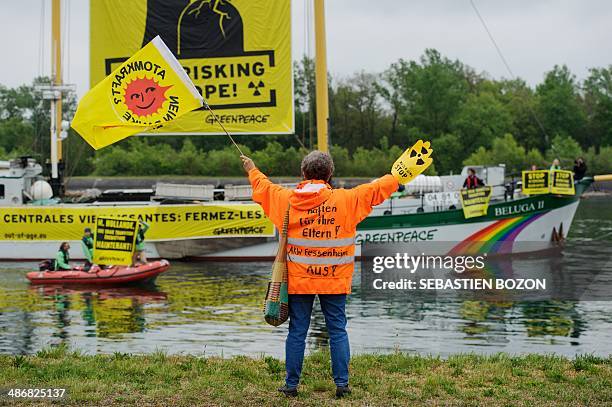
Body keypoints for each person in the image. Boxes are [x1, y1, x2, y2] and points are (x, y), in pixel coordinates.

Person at [241, 151, 400, 399]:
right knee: (337, 330)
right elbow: (376, 189)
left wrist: (251, 168)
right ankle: (342, 385)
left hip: (299, 280)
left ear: (303, 174)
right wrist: (397, 175)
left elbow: (264, 187)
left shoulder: (287, 200)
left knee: (297, 331)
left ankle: (291, 386)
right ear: (330, 175)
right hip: (334, 279)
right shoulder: (347, 200)